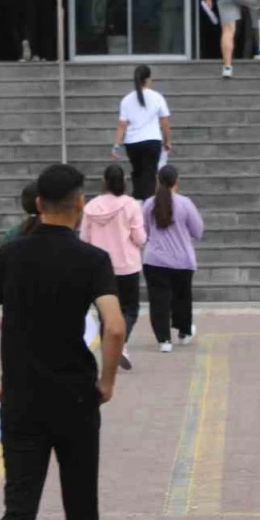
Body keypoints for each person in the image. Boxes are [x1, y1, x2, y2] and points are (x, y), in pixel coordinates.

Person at [0, 163, 126, 520]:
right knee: (81, 508)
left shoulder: (11, 254)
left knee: (18, 511)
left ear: (38, 203)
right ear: (80, 204)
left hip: (22, 400)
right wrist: (106, 382)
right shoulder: (93, 259)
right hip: (76, 399)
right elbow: (115, 327)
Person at [80, 165, 146, 370]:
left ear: (104, 181)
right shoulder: (131, 205)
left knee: (104, 313)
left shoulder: (91, 207)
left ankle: (110, 352)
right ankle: (120, 344)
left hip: (100, 267)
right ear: (124, 182)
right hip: (127, 266)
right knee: (130, 309)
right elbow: (140, 238)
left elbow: (84, 238)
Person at [141, 166, 205, 354]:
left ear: (158, 180)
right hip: (182, 260)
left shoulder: (149, 204)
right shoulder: (185, 203)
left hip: (154, 260)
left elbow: (143, 231)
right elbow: (198, 231)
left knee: (158, 301)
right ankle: (184, 332)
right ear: (177, 181)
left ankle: (164, 340)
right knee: (182, 297)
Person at [112, 65, 172, 201]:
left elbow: (122, 125)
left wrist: (116, 145)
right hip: (152, 141)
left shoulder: (127, 99)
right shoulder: (157, 97)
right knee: (150, 175)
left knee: (138, 174)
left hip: (132, 143)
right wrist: (167, 140)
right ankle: (148, 204)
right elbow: (164, 121)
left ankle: (138, 201)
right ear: (148, 79)